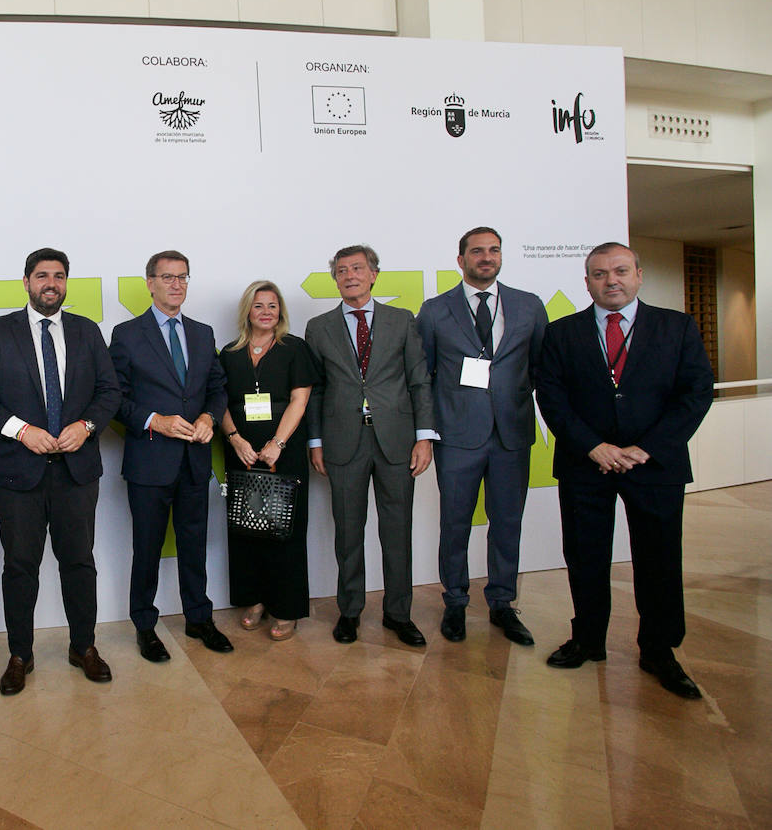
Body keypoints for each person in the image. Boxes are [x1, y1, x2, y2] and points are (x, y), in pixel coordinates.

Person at [535, 242, 713, 699]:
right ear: (587, 280)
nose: (610, 280)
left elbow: (695, 393)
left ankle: (659, 649)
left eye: (619, 271)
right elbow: (551, 397)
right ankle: (588, 640)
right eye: (598, 274)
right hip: (585, 464)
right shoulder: (562, 334)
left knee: (658, 560)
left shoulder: (677, 327)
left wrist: (645, 449)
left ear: (638, 274)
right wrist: (593, 446)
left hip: (654, 466)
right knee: (586, 556)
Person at [0, 247, 122, 695]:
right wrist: (20, 430)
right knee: (19, 566)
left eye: (58, 276)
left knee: (79, 562)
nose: (50, 283)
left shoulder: (87, 331)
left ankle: (83, 647)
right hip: (18, 472)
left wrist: (86, 426)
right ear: (26, 282)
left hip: (76, 470)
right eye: (41, 276)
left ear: (66, 283)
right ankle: (20, 655)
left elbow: (109, 391)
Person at [416, 227, 548, 645]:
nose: (486, 257)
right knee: (455, 522)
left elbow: (542, 368)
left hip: (512, 434)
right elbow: (423, 375)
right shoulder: (435, 311)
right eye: (477, 251)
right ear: (461, 260)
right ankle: (455, 601)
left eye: (493, 250)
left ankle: (502, 602)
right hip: (457, 435)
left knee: (507, 522)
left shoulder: (529, 306)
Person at [304, 245, 435, 647]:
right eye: (341, 271)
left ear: (374, 274)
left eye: (358, 268)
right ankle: (350, 611)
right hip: (343, 442)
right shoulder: (318, 327)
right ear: (335, 279)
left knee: (398, 531)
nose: (350, 276)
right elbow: (316, 390)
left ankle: (399, 613)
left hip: (397, 441)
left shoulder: (401, 320)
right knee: (348, 532)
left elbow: (418, 381)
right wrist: (315, 442)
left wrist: (425, 437)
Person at [109, 250, 232, 662]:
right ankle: (145, 625)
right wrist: (153, 420)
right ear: (150, 283)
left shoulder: (202, 332)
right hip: (149, 462)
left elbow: (217, 388)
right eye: (167, 277)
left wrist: (209, 418)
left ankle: (199, 617)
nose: (175, 284)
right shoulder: (127, 335)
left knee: (195, 545)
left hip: (195, 461)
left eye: (182, 277)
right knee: (146, 548)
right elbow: (114, 399)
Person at [217, 281, 314, 641]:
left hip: (282, 450)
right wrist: (234, 439)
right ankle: (254, 600)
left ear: (281, 312)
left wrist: (277, 443)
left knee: (284, 531)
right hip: (241, 450)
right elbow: (219, 402)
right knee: (247, 529)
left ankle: (286, 608)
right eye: (259, 306)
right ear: (248, 311)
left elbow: (299, 400)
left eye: (273, 306)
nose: (267, 312)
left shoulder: (295, 349)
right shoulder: (228, 353)